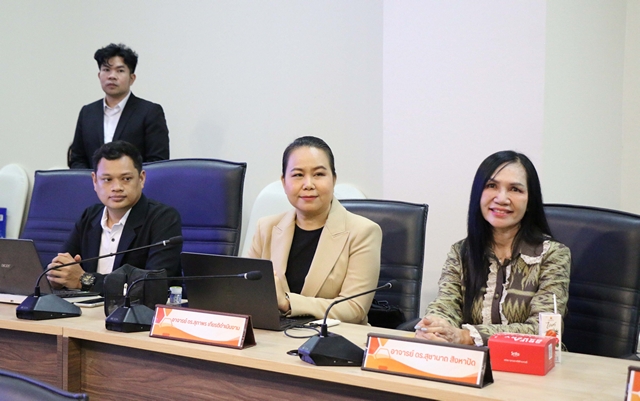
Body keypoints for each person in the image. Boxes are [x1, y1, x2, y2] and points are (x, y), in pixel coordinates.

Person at [415, 150, 570, 345]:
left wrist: (466, 336)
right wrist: (435, 326)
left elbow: (545, 329)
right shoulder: (461, 252)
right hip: (472, 360)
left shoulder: (553, 255)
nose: (502, 198)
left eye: (515, 189)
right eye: (491, 186)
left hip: (530, 361)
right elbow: (446, 303)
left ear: (530, 200)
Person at [248, 136, 382, 324]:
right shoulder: (266, 228)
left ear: (333, 179)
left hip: (333, 337)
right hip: (272, 336)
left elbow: (354, 309)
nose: (308, 184)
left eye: (318, 174)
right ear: (284, 182)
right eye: (297, 175)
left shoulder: (363, 232)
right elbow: (246, 292)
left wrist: (288, 303)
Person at [47, 141, 182, 294]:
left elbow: (153, 284)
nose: (117, 187)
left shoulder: (163, 219)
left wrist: (85, 280)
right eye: (107, 179)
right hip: (85, 306)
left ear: (141, 178)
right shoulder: (90, 216)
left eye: (126, 179)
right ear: (95, 181)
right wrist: (57, 277)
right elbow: (62, 266)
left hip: (136, 308)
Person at [68, 43, 169, 169]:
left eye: (120, 70)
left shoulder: (150, 112)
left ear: (132, 78)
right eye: (106, 70)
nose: (112, 76)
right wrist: (93, 179)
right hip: (92, 181)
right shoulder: (87, 112)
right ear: (99, 75)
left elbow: (157, 162)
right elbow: (77, 158)